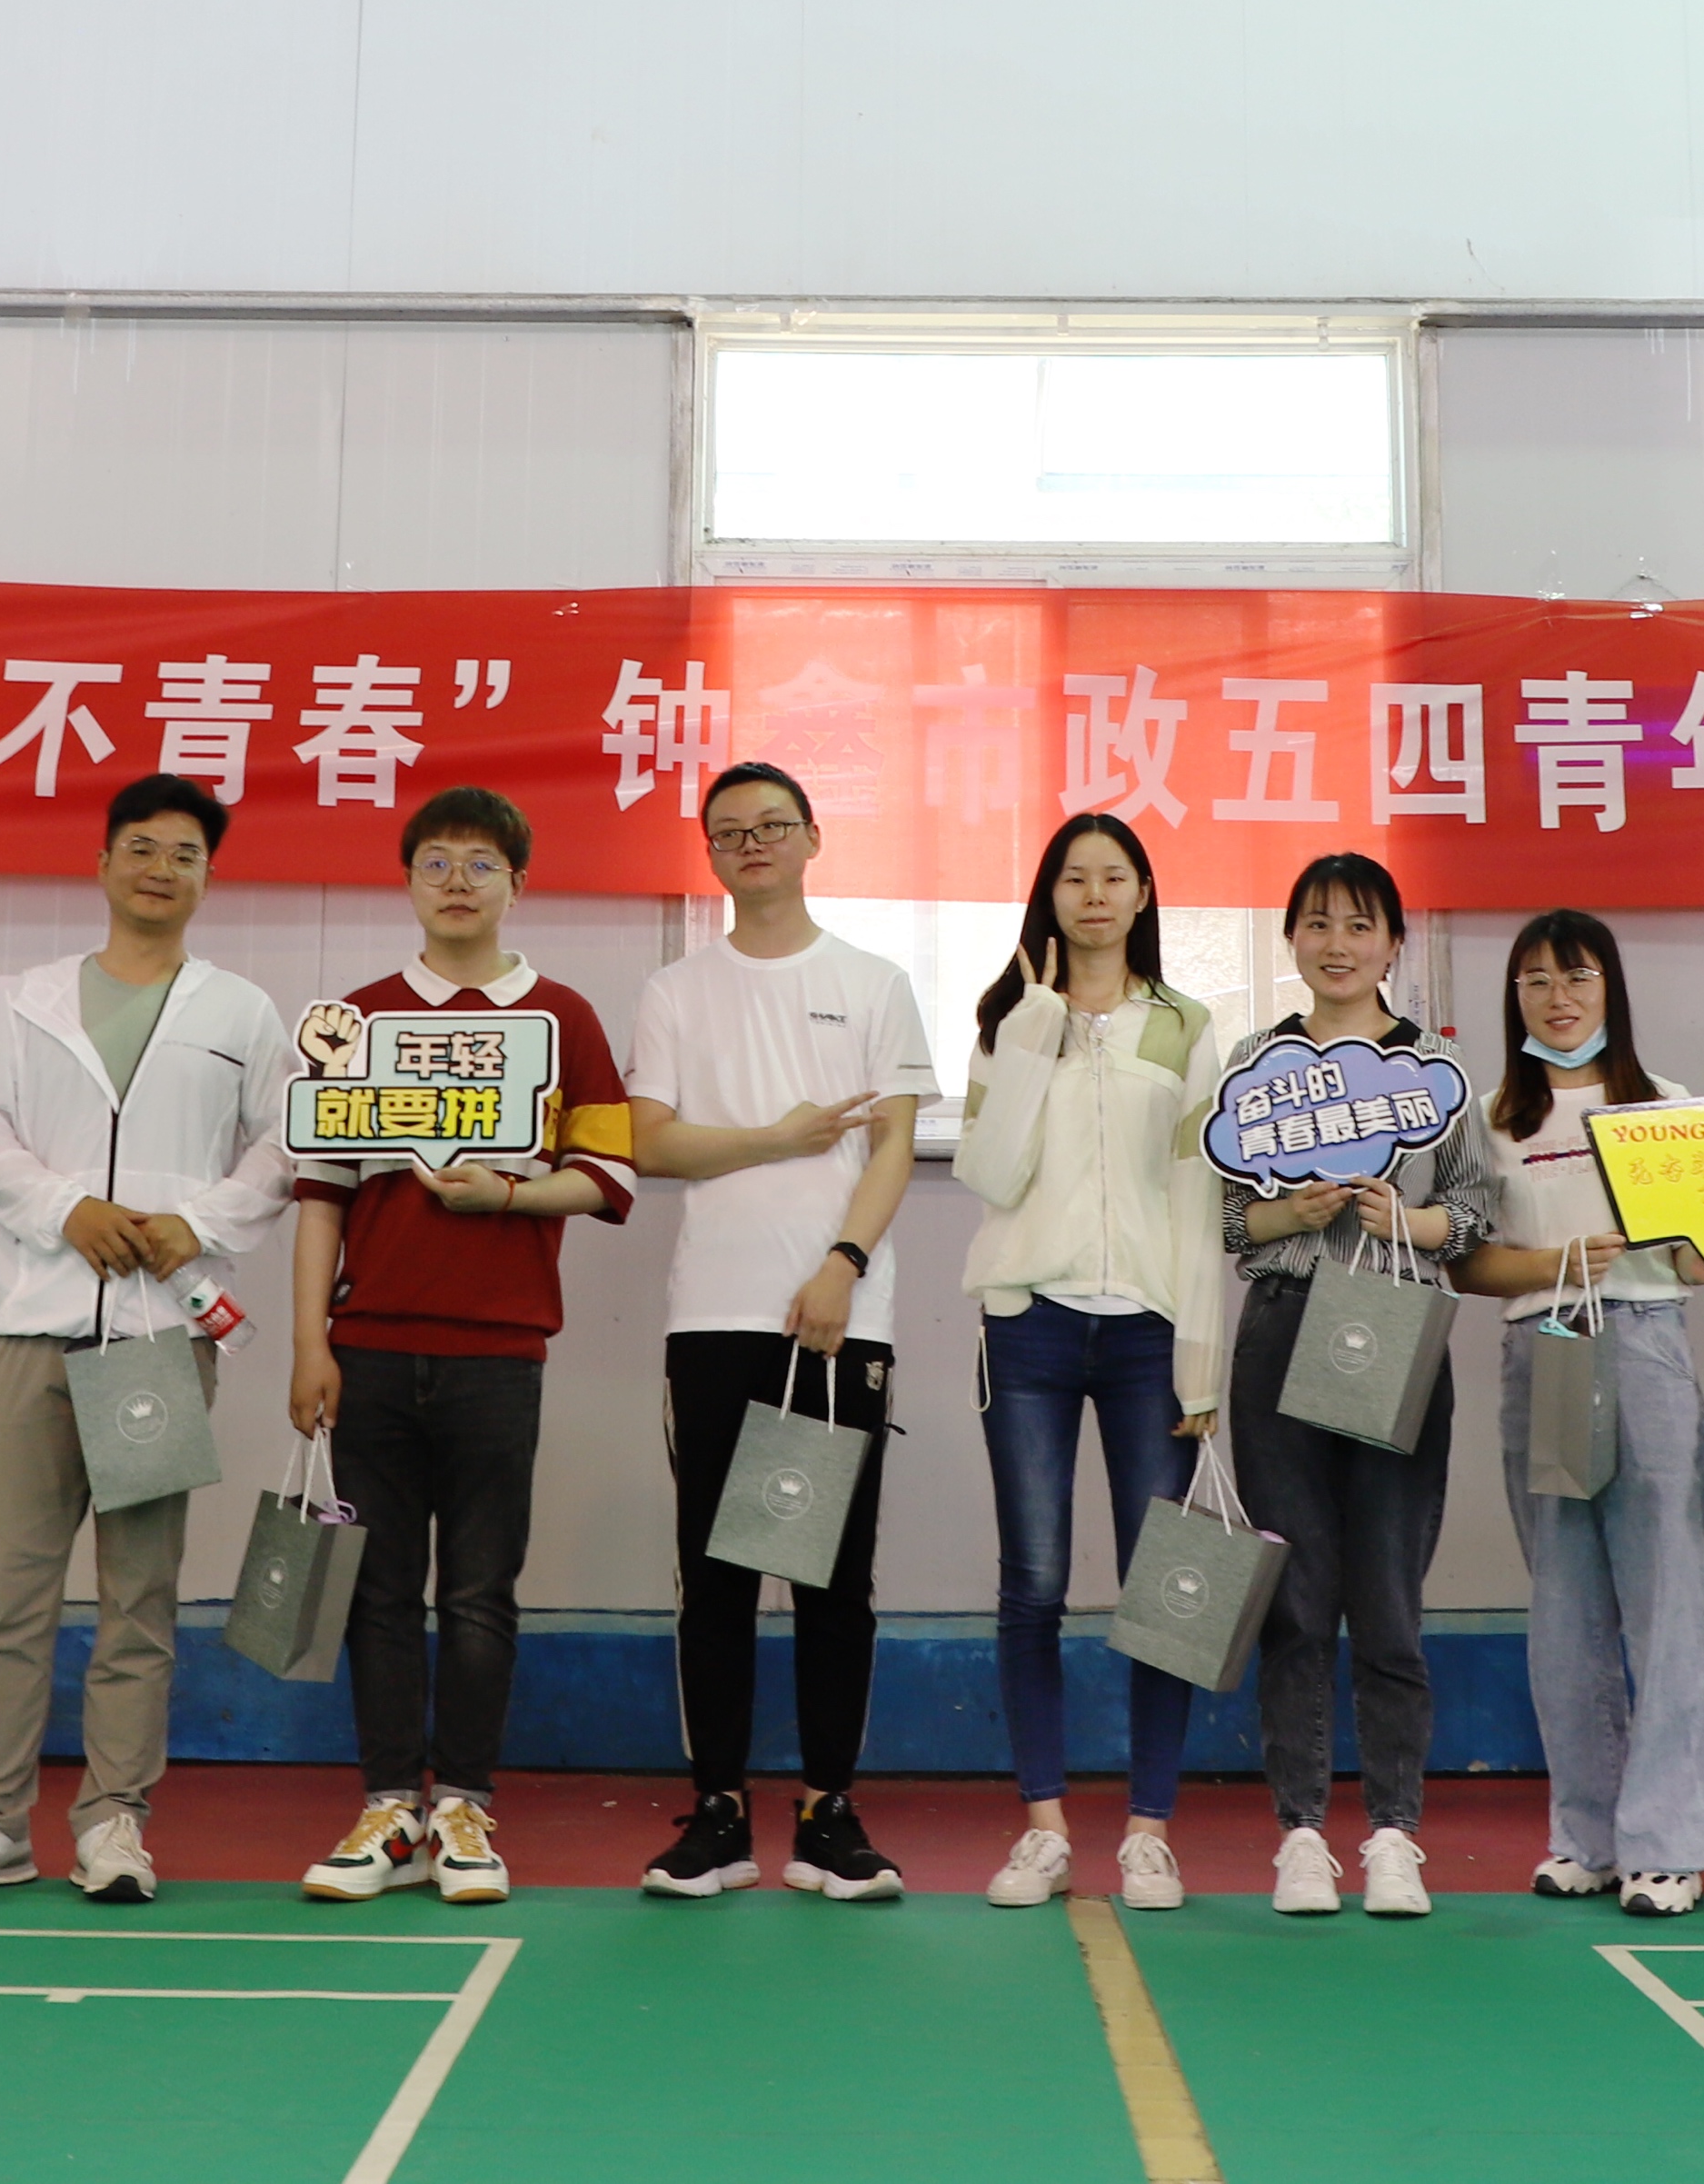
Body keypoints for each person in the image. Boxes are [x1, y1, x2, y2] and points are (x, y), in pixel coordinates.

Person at [0, 772, 299, 1906]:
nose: (161, 868)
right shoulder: (28, 1001)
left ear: (207, 876)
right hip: (37, 1324)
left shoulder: (241, 1011)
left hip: (158, 1340)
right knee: (11, 1592)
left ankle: (115, 1820)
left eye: (185, 852)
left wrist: (197, 1223)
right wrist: (64, 1209)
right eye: (141, 847)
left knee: (139, 1595)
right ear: (103, 863)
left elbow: (284, 1143)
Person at [288, 788, 636, 1908]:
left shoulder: (565, 1017)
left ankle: (465, 1809)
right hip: (369, 1347)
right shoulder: (354, 1020)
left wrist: (511, 1196)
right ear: (407, 880)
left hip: (500, 1351)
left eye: (481, 863)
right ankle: (390, 1804)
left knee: (482, 1592)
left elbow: (611, 1173)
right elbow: (321, 1196)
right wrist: (308, 1343)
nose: (456, 881)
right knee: (377, 1590)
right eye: (434, 860)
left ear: (517, 885)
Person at [624, 760, 937, 1902]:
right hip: (713, 1314)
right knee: (713, 1577)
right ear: (709, 852)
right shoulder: (675, 990)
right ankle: (717, 1814)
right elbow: (650, 1142)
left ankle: (827, 1815)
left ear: (812, 838)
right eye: (729, 830)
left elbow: (894, 1142)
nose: (751, 841)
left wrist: (843, 1264)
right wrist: (777, 1136)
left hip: (837, 1320)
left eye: (772, 824)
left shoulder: (873, 981)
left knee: (829, 1580)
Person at [1214, 849, 1505, 1919]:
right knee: (1294, 1597)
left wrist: (1406, 1220)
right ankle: (1300, 1832)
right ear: (1290, 937)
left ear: (1392, 944)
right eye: (1317, 923)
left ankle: (1392, 1832)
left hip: (1392, 1321)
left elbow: (1473, 1210)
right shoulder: (1255, 1062)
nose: (1336, 944)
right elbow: (1231, 1221)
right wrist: (1290, 1212)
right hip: (1283, 1321)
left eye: (1358, 924)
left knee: (1387, 1593)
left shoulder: (1435, 1065)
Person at [953, 811, 1232, 1914]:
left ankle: (1149, 1832)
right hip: (1027, 1322)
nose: (1096, 895)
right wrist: (1034, 1029)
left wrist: (1201, 1362)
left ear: (1144, 894)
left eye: (1115, 877)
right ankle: (1043, 1829)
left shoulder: (1187, 1025)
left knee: (1160, 1590)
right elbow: (988, 1171)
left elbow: (1202, 1201)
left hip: (1148, 1336)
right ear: (1050, 896)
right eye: (1075, 878)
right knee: (1032, 1583)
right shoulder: (1007, 1019)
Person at [1452, 910, 1704, 1916]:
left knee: (1665, 1598)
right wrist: (1554, 1263)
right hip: (1544, 1349)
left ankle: (1669, 1844)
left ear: (1610, 986)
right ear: (1513, 997)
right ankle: (1587, 1835)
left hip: (1645, 1341)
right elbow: (1467, 1264)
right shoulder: (1490, 1119)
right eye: (1535, 980)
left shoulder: (1669, 1107)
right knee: (1565, 1606)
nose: (1557, 997)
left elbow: (1700, 1254)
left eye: (1576, 976)